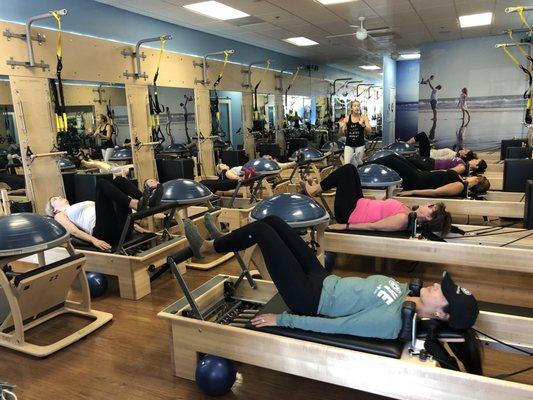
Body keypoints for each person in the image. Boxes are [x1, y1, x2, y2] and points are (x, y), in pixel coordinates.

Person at [181, 215, 482, 374]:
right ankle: (223, 241)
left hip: (309, 298)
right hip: (324, 280)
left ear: (441, 314)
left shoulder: (390, 321)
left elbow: (336, 326)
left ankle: (208, 249)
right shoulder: (410, 295)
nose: (437, 286)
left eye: (443, 294)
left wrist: (282, 318)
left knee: (262, 230)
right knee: (274, 221)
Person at [302, 164, 452, 235]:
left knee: (347, 170)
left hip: (350, 213)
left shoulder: (403, 220)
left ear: (427, 216)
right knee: (353, 170)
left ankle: (315, 190)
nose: (427, 203)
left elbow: (373, 226)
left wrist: (345, 226)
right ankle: (317, 187)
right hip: (359, 203)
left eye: (431, 206)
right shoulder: (409, 213)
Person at [45, 177, 162, 251]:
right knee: (101, 183)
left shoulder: (76, 205)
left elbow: (107, 213)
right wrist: (94, 240)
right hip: (103, 233)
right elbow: (74, 231)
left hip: (120, 228)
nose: (59, 197)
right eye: (55, 199)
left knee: (118, 181)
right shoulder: (60, 215)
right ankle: (139, 205)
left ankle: (146, 202)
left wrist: (137, 228)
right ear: (54, 209)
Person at [371, 153, 490, 197]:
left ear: (476, 182)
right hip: (420, 174)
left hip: (417, 181)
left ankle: (363, 165)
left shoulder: (460, 187)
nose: (475, 176)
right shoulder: (461, 180)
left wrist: (411, 192)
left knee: (392, 159)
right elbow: (440, 174)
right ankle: (365, 165)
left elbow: (436, 192)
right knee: (396, 157)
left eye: (477, 177)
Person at [200, 156, 295, 195]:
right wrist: (240, 179)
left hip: (249, 168)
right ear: (220, 170)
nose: (223, 164)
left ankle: (292, 163)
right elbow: (229, 175)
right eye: (221, 165)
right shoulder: (226, 172)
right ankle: (247, 177)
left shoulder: (231, 169)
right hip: (245, 170)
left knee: (276, 165)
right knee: (275, 166)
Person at [338, 100, 371, 167]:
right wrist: (340, 127)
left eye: (358, 106)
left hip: (360, 144)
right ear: (351, 108)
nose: (357, 107)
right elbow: (340, 134)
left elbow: (369, 130)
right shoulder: (347, 118)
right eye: (355, 106)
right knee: (347, 165)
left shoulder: (363, 117)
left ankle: (357, 176)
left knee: (357, 164)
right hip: (349, 144)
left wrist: (362, 124)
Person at [406, 156, 487, 176]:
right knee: (408, 159)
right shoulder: (463, 163)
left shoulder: (462, 167)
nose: (474, 159)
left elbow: (447, 172)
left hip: (431, 166)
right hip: (431, 161)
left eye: (476, 161)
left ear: (476, 167)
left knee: (406, 161)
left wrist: (431, 173)